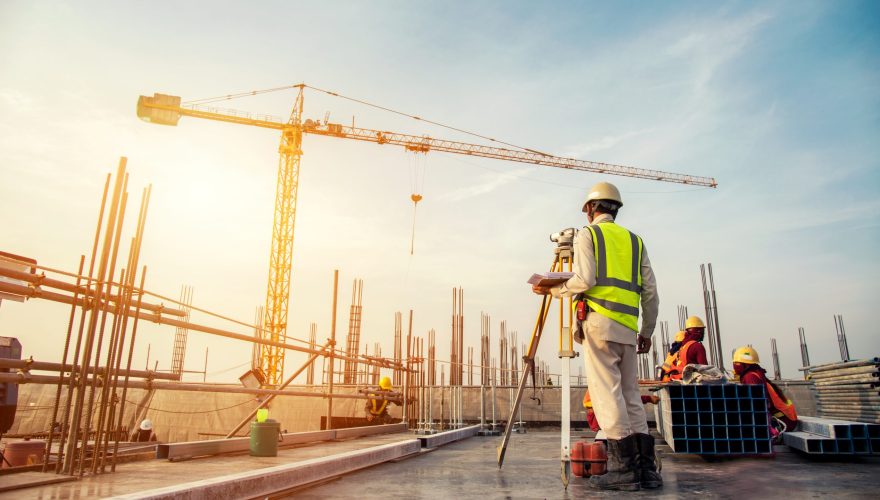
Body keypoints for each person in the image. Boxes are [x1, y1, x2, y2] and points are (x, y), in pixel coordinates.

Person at [533, 181, 660, 491]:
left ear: (591, 209)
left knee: (607, 395)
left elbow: (585, 279)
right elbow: (651, 292)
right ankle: (646, 471)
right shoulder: (635, 241)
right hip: (629, 329)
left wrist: (556, 289)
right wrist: (647, 332)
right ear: (615, 208)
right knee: (630, 394)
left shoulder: (588, 234)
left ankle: (624, 472)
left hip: (599, 324)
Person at [732, 346, 798, 441]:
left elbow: (756, 404)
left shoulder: (750, 377)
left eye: (736, 362)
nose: (734, 365)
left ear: (745, 364)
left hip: (783, 421)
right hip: (786, 419)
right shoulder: (756, 374)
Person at [584, 389, 660, 433]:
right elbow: (628, 400)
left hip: (604, 426)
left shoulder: (598, 385)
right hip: (606, 427)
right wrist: (648, 398)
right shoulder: (604, 389)